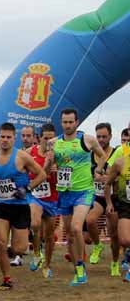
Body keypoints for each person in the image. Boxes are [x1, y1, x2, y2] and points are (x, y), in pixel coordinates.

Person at [54, 108, 109, 286]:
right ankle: (79, 270)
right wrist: (51, 167)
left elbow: (102, 156)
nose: (67, 125)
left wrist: (98, 169)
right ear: (61, 122)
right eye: (65, 122)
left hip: (84, 191)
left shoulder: (87, 139)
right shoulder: (55, 143)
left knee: (77, 228)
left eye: (71, 122)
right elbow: (49, 164)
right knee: (70, 233)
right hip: (65, 192)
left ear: (77, 122)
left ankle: (80, 266)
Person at [0, 123, 46, 290]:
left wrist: (27, 188)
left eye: (8, 137)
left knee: (18, 248)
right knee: (0, 243)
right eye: (2, 137)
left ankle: (27, 246)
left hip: (20, 207)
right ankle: (7, 279)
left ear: (14, 139)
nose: (5, 140)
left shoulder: (22, 157)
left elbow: (41, 174)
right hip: (2, 207)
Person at [27, 123, 60, 279]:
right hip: (35, 196)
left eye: (52, 139)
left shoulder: (58, 155)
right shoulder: (30, 153)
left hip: (52, 198)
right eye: (46, 138)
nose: (49, 142)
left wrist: (58, 171)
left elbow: (66, 178)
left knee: (49, 235)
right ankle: (36, 253)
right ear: (40, 138)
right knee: (34, 223)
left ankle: (47, 264)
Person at [85, 123, 116, 271]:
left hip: (113, 197)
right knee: (90, 220)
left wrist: (108, 179)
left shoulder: (116, 153)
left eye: (104, 136)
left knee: (113, 232)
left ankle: (116, 261)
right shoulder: (91, 154)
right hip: (97, 196)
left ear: (110, 136)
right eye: (98, 137)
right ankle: (98, 245)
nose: (101, 139)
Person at [102, 137, 130, 282]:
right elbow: (107, 184)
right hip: (125, 204)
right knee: (124, 240)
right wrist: (109, 203)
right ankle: (117, 261)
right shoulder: (120, 162)